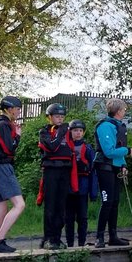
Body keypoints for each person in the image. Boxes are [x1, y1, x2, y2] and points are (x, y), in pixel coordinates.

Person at [0, 96, 27, 253]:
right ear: (9, 109)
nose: (18, 112)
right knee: (19, 204)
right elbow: (9, 148)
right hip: (2, 166)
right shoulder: (3, 125)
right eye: (17, 109)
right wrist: (17, 135)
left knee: (1, 210)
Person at [37, 102, 77, 250]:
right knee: (51, 205)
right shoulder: (44, 132)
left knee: (61, 206)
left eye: (62, 117)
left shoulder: (68, 132)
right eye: (57, 116)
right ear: (50, 117)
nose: (60, 119)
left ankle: (57, 238)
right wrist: (61, 132)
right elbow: (52, 147)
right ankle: (47, 238)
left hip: (65, 171)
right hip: (51, 171)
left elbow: (76, 144)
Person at [94, 98, 132, 247]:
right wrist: (127, 151)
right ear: (118, 111)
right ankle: (99, 237)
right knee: (107, 202)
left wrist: (123, 164)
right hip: (104, 167)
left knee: (115, 202)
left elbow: (118, 148)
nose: (125, 112)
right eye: (123, 110)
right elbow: (109, 151)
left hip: (115, 168)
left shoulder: (119, 126)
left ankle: (113, 236)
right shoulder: (105, 126)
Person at [64, 119, 96, 247]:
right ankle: (70, 244)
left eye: (80, 131)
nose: (78, 133)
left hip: (83, 187)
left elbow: (93, 171)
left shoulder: (88, 148)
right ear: (70, 132)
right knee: (68, 218)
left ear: (83, 133)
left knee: (82, 218)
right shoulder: (65, 147)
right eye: (75, 130)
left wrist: (93, 192)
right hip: (68, 188)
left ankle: (82, 244)